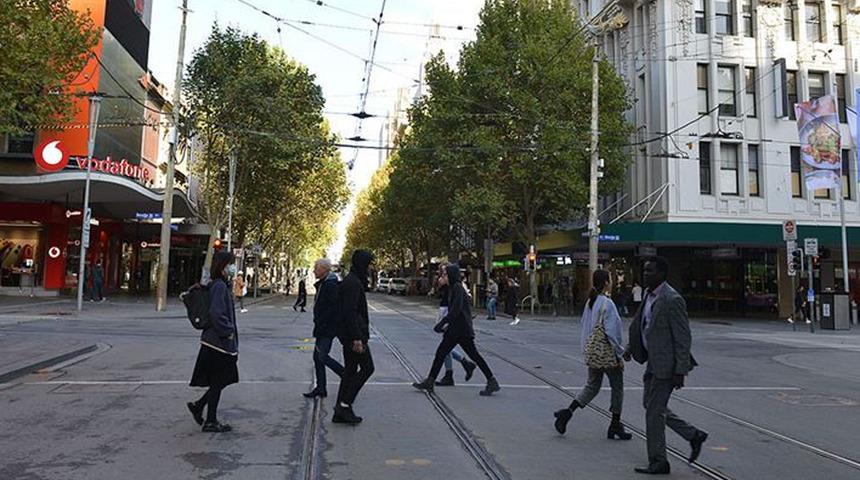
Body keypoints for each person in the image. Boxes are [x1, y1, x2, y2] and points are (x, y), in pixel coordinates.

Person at [623, 257, 708, 475]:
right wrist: (630, 347)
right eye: (644, 270)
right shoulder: (649, 295)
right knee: (651, 406)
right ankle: (692, 434)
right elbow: (643, 324)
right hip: (653, 362)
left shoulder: (672, 299)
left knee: (653, 412)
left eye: (650, 271)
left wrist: (680, 370)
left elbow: (682, 337)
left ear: (662, 274)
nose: (645, 274)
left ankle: (659, 461)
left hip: (667, 366)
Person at [553, 269, 632, 440]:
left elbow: (586, 328)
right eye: (610, 279)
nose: (611, 282)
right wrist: (620, 353)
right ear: (605, 283)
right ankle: (615, 424)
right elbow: (612, 332)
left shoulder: (592, 302)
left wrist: (587, 352)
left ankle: (567, 412)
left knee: (592, 386)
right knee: (617, 387)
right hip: (607, 354)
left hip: (593, 353)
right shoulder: (607, 304)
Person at [412, 264, 500, 396]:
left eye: (445, 274)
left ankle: (431, 381)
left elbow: (456, 310)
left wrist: (442, 323)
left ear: (451, 275)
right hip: (458, 328)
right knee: (454, 353)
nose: (443, 276)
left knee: (447, 353)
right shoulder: (453, 288)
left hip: (460, 329)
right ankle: (490, 380)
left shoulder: (458, 288)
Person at [187, 251, 239, 433]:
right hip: (218, 343)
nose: (233, 267)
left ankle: (199, 406)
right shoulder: (219, 287)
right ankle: (210, 420)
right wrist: (228, 332)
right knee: (220, 380)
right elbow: (216, 313)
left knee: (223, 379)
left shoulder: (220, 285)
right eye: (231, 264)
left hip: (217, 342)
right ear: (223, 266)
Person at [334, 250, 376, 425]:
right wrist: (357, 338)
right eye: (368, 264)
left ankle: (340, 410)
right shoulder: (352, 283)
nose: (369, 268)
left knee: (350, 371)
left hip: (350, 334)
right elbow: (350, 312)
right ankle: (344, 404)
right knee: (367, 368)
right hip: (354, 335)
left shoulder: (352, 280)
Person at [304, 258, 345, 398]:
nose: (314, 270)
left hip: (327, 327)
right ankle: (321, 388)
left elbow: (332, 308)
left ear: (323, 269)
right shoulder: (324, 283)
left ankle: (346, 375)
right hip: (322, 326)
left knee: (322, 356)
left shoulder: (330, 285)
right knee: (317, 357)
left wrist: (322, 322)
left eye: (316, 267)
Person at [434, 265, 477, 387]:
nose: (442, 275)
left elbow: (463, 302)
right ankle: (460, 367)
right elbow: (439, 289)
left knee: (445, 347)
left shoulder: (457, 285)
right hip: (445, 311)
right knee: (445, 346)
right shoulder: (449, 284)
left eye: (444, 273)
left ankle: (454, 371)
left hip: (451, 315)